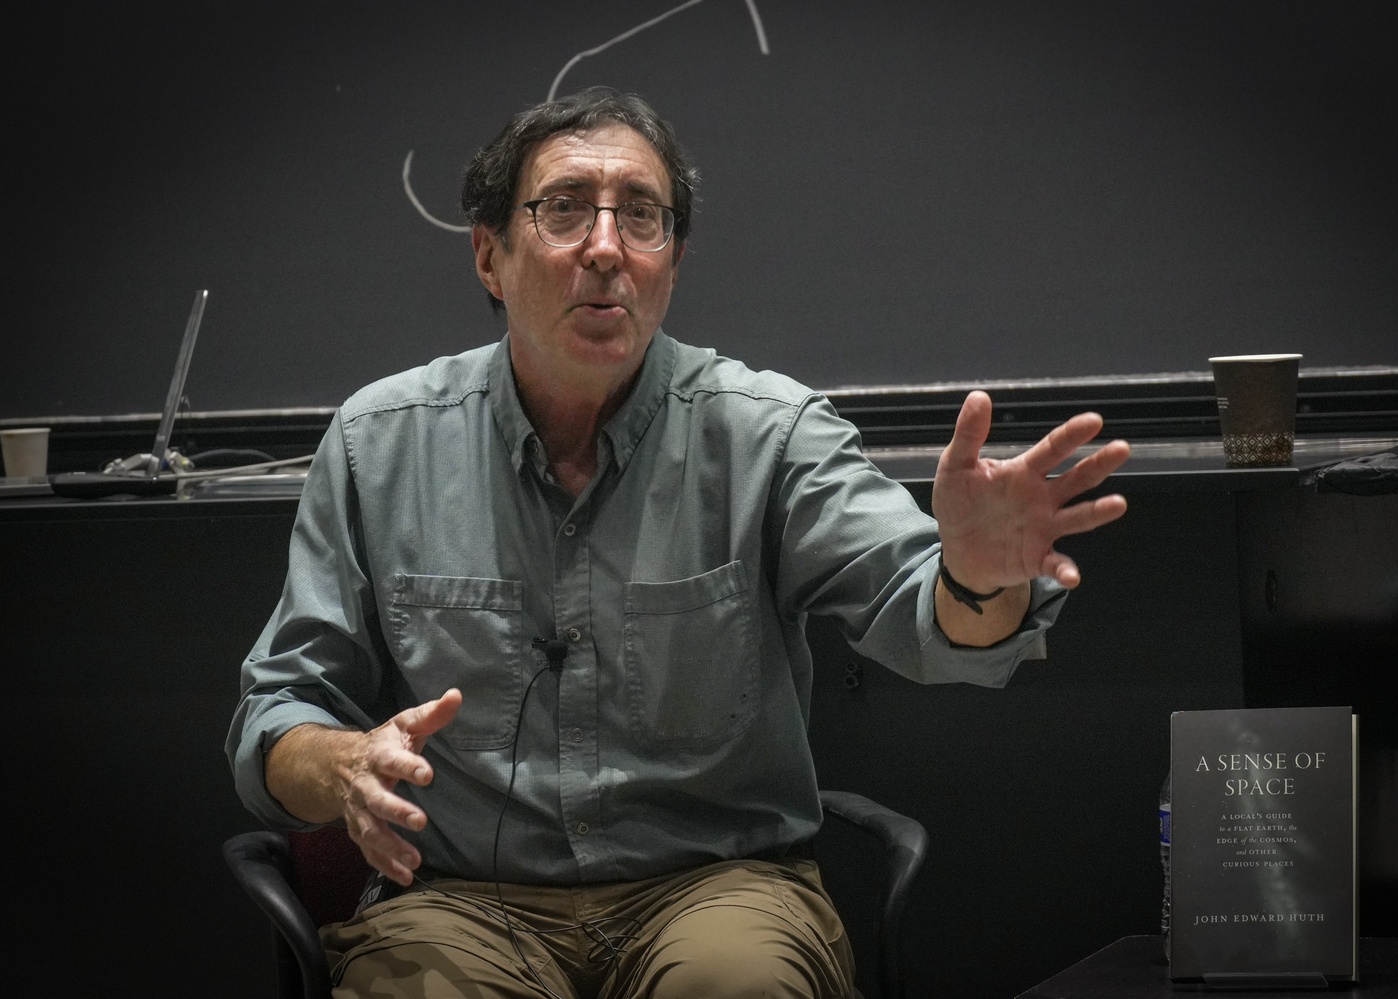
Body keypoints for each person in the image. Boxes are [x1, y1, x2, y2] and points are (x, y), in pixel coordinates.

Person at [226, 86, 1131, 999]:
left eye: (642, 217)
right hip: (462, 900)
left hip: (717, 887)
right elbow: (279, 709)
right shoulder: (377, 443)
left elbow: (926, 610)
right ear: (489, 255)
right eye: (565, 208)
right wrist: (340, 764)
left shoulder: (767, 434)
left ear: (673, 261)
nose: (607, 247)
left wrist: (977, 578)